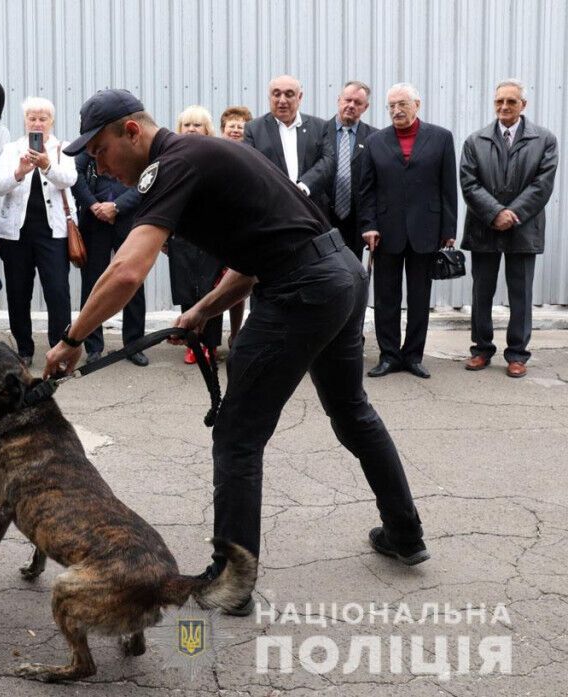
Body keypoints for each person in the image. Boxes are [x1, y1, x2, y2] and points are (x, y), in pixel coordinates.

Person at [46, 90, 428, 611]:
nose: (100, 165)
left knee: (238, 435)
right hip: (338, 276)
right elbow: (260, 253)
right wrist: (202, 310)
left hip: (302, 289)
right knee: (353, 412)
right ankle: (406, 535)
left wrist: (71, 339)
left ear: (131, 131)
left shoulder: (171, 164)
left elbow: (127, 271)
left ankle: (231, 580)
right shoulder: (203, 157)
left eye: (101, 151)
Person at [460, 79, 558, 378]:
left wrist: (512, 213)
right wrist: (494, 213)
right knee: (482, 292)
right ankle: (481, 349)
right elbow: (469, 182)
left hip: (523, 228)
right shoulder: (475, 141)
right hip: (484, 227)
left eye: (511, 102)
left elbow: (542, 185)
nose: (504, 107)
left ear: (523, 105)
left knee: (521, 294)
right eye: (499, 101)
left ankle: (517, 354)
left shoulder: (544, 140)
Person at [359, 83, 457, 380]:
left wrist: (449, 229)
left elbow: (447, 187)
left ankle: (413, 355)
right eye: (390, 106)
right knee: (386, 298)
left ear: (417, 104)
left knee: (418, 298)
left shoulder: (441, 138)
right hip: (386, 232)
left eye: (402, 104)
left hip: (426, 230)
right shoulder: (376, 141)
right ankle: (389, 356)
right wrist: (369, 225)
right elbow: (367, 190)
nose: (396, 111)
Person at [0, 96, 77, 365]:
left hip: (54, 233)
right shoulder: (11, 149)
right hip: (16, 234)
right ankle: (24, 350)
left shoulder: (63, 148)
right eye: (32, 118)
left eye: (43, 118)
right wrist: (19, 171)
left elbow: (70, 178)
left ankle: (58, 348)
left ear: (51, 121)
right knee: (18, 293)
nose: (37, 123)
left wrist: (46, 166)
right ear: (25, 121)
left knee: (57, 292)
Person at [70, 148, 146, 366]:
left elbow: (145, 183)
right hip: (94, 221)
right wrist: (93, 205)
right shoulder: (90, 146)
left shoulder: (132, 144)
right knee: (93, 284)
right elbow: (76, 174)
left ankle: (135, 345)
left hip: (129, 219)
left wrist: (116, 206)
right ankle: (93, 346)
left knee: (133, 281)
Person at [166, 106, 228, 363]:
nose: (191, 129)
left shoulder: (217, 155)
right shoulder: (170, 157)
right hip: (182, 235)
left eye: (197, 125)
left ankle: (210, 345)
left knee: (210, 290)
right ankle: (191, 343)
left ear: (207, 130)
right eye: (187, 125)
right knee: (186, 291)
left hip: (211, 234)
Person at [244, 75, 334, 214]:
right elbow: (250, 166)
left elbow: (328, 160)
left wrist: (304, 186)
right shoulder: (254, 129)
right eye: (277, 94)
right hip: (271, 209)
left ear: (300, 97)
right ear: (269, 97)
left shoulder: (319, 126)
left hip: (311, 208)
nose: (282, 100)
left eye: (289, 94)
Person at [322, 82, 377, 258]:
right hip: (323, 218)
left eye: (358, 102)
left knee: (353, 275)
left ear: (365, 107)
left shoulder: (375, 138)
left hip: (356, 222)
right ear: (339, 100)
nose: (351, 105)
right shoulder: (319, 132)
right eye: (347, 100)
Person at [218, 105, 254, 347]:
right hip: (219, 228)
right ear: (222, 130)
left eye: (240, 127)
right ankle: (208, 339)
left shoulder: (254, 153)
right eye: (231, 126)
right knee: (217, 283)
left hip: (245, 227)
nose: (235, 130)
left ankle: (236, 334)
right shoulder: (216, 152)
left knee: (240, 283)